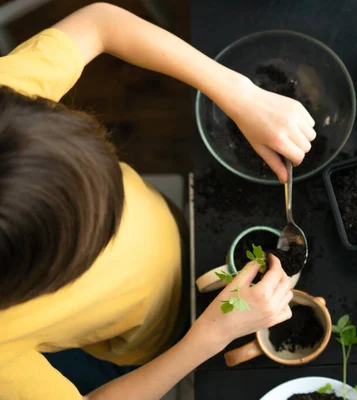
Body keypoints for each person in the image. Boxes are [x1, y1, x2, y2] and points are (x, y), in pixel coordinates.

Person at [0, 3, 316, 399]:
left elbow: (101, 24)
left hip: (171, 228)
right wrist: (210, 336)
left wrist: (240, 94)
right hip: (148, 338)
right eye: (95, 245)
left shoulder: (6, 105)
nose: (113, 227)